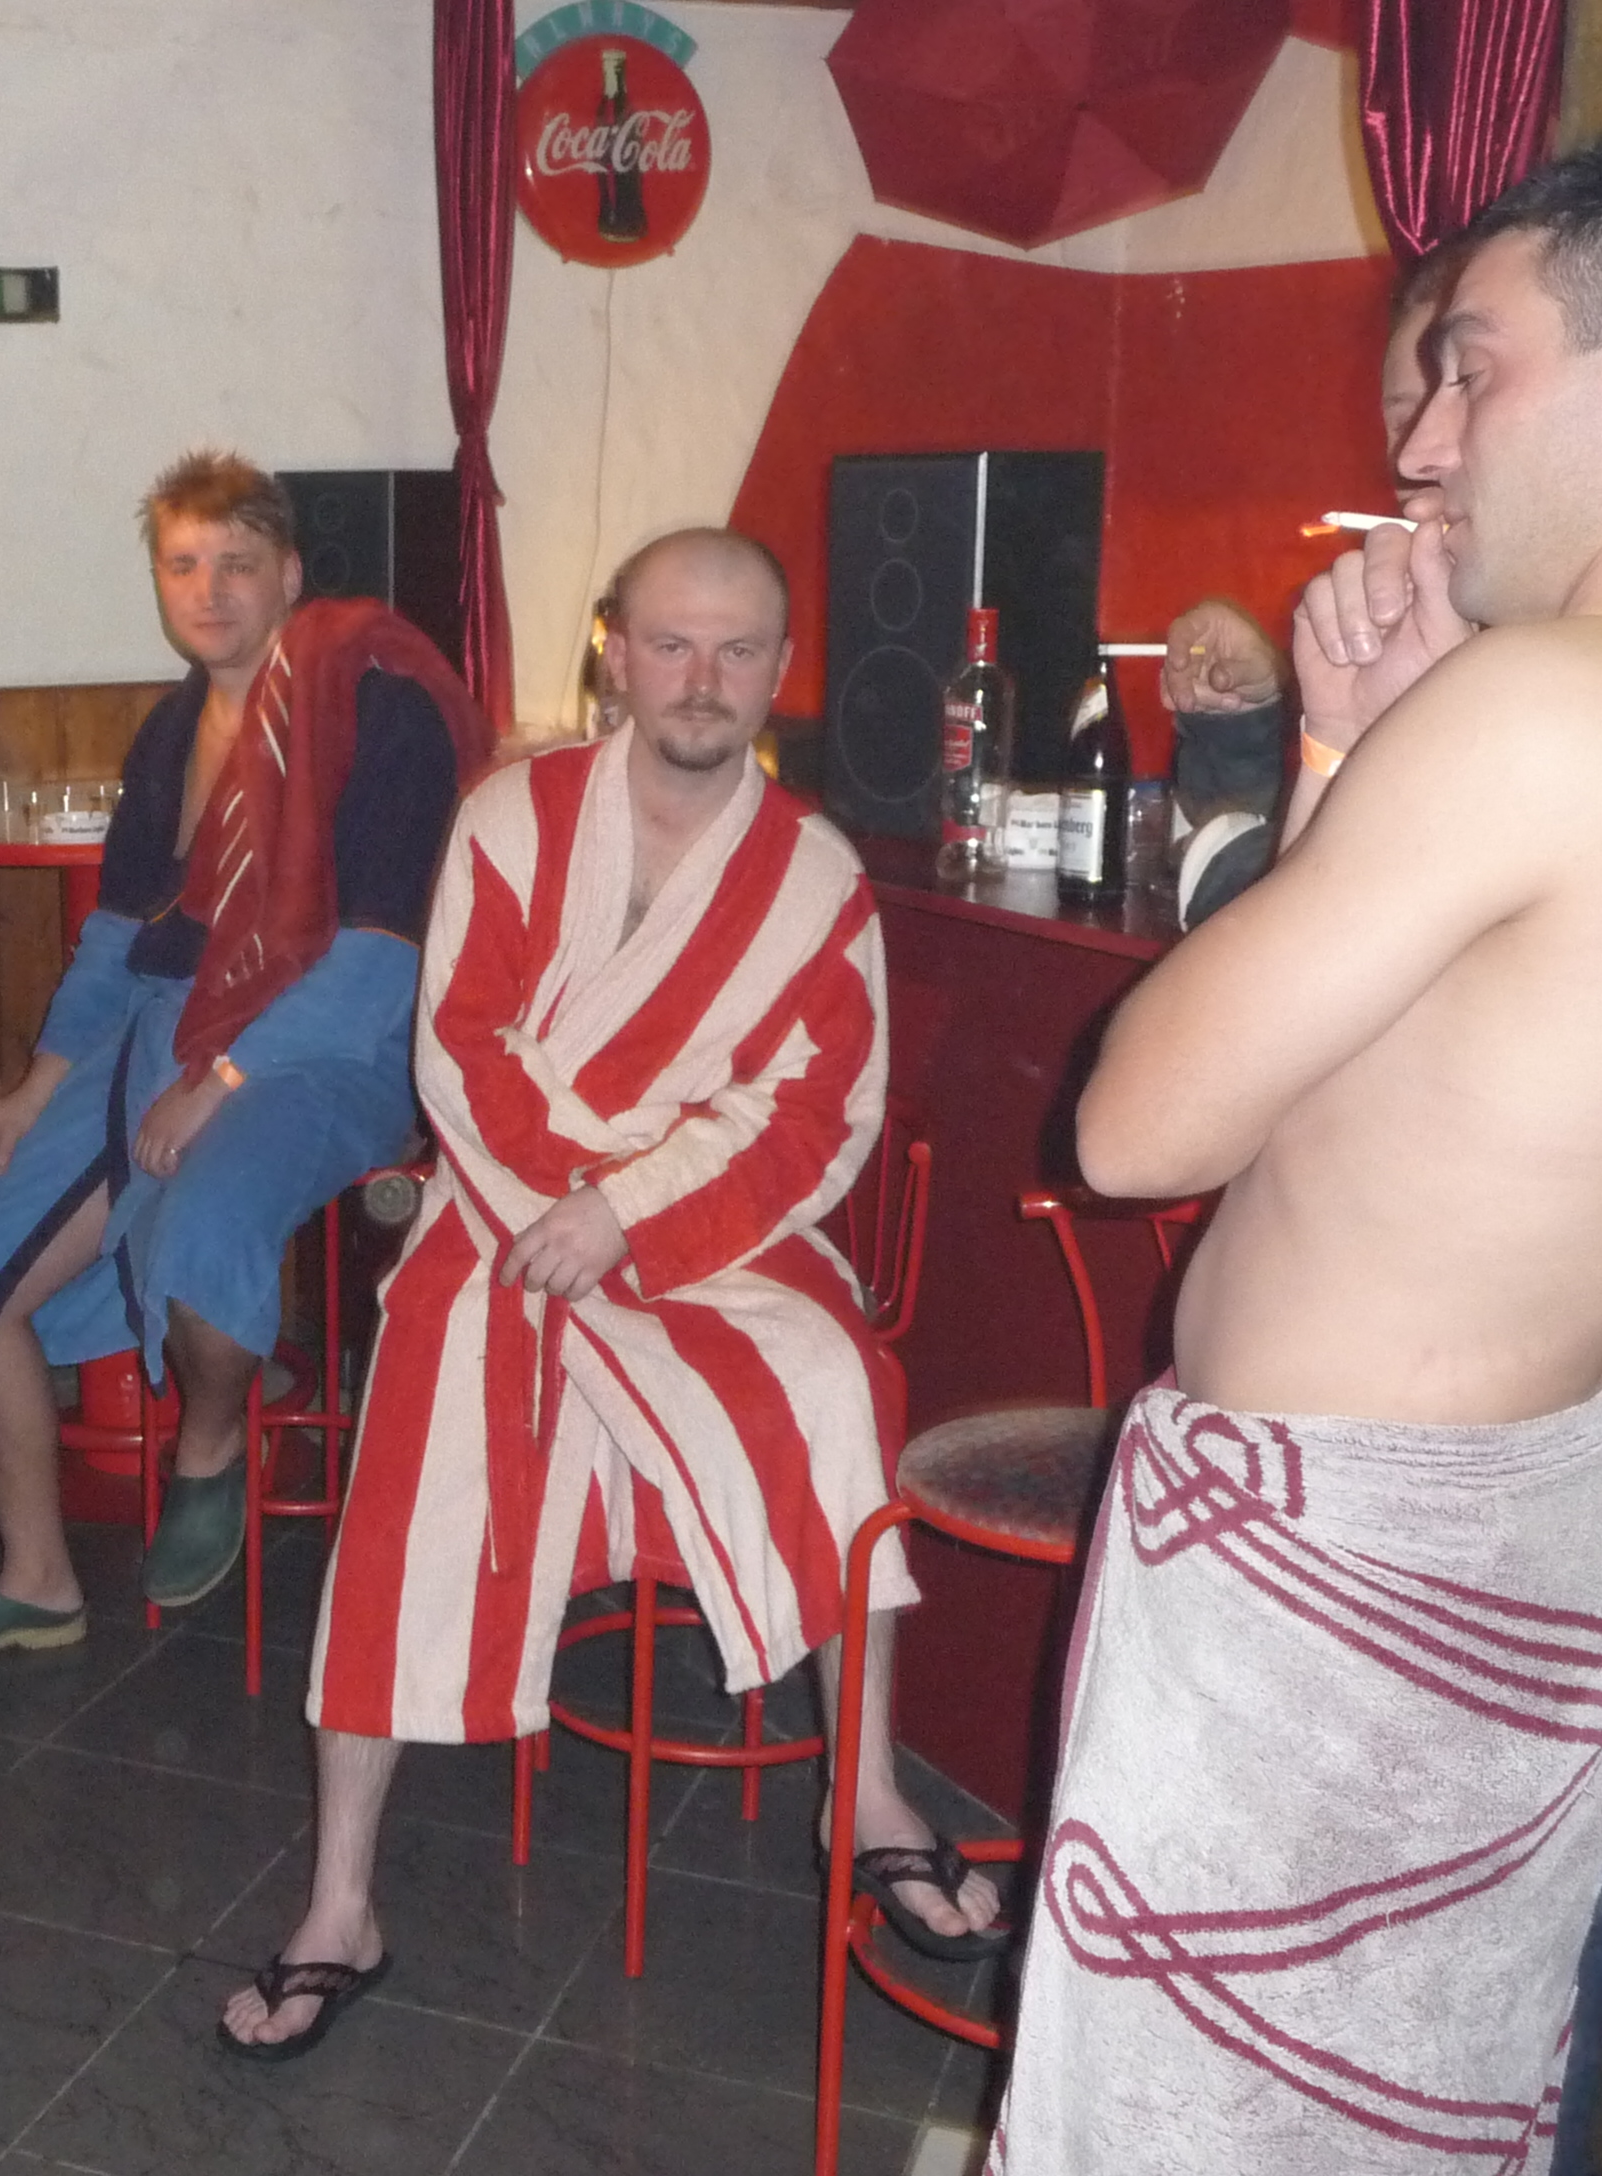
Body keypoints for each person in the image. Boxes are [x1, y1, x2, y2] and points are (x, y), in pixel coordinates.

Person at [990, 117, 1602, 2174]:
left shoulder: (1552, 709)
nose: (1428, 447)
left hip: (1339, 1589)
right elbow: (1496, 1125)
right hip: (1567, 1517)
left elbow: (1137, 1120)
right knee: (1421, 2111)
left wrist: (1357, 755)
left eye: (1473, 369)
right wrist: (1374, 770)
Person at [219, 528, 1000, 2058]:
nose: (702, 678)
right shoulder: (512, 819)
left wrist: (623, 1215)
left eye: (738, 649)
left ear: (781, 669)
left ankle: (864, 1786)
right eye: (672, 643)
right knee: (431, 1378)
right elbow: (461, 1048)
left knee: (836, 1378)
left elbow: (816, 1117)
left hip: (712, 1230)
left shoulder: (818, 879)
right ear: (617, 653)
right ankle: (340, 1896)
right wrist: (560, 1215)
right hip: (501, 1208)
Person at [0, 450, 490, 1668]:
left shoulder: (376, 703)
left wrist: (220, 1082)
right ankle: (37, 1580)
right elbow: (118, 937)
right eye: (183, 564)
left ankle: (211, 1441)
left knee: (205, 1224)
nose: (209, 590)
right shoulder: (172, 731)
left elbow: (381, 958)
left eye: (237, 564)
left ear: (291, 575)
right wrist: (35, 1090)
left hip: (335, 1043)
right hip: (160, 1036)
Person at [1157, 249, 1465, 927]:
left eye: (1472, 393)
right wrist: (1247, 718)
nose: (1418, 453)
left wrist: (1228, 861)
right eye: (1403, 418)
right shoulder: (1390, 611)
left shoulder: (1570, 661)